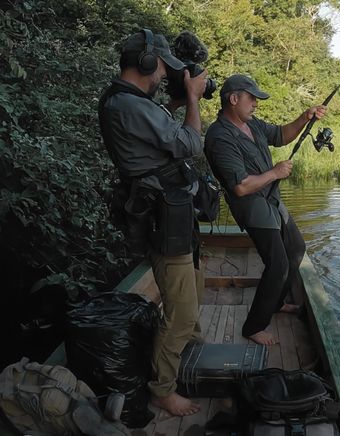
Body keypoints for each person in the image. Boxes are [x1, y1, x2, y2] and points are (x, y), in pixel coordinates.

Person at [97, 29, 207, 416]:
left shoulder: (129, 102)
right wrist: (192, 98)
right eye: (163, 68)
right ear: (148, 62)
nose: (164, 76)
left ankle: (186, 352)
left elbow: (157, 140)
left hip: (169, 214)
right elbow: (191, 144)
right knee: (181, 312)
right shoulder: (128, 105)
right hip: (163, 218)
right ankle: (162, 388)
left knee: (192, 288)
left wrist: (176, 106)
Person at [204, 74, 326, 346]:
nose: (256, 104)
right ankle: (254, 326)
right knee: (278, 264)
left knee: (295, 249)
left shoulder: (253, 124)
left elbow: (282, 135)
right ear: (234, 99)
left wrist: (306, 117)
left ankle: (278, 302)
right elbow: (241, 187)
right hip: (252, 206)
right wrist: (275, 172)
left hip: (272, 200)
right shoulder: (219, 137)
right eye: (252, 98)